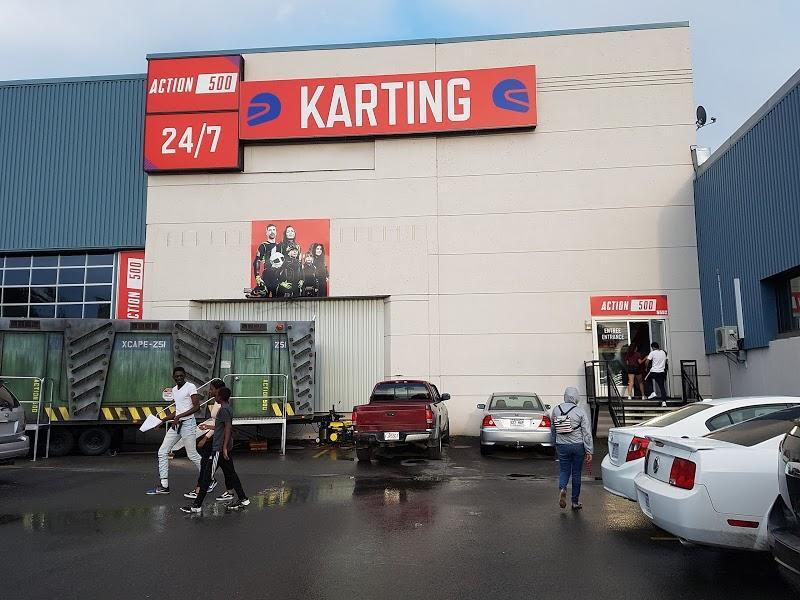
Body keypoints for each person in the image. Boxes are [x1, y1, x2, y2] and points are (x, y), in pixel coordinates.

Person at [181, 386, 249, 513]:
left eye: (216, 395)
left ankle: (196, 505)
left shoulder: (223, 410)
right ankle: (243, 499)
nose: (214, 397)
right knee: (232, 474)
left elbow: (228, 428)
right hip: (222, 448)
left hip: (219, 449)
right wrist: (209, 427)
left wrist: (224, 448)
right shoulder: (227, 408)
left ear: (220, 397)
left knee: (207, 477)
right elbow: (221, 427)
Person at [146, 366, 202, 495]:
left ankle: (208, 478)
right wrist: (162, 421)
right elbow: (177, 410)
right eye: (176, 376)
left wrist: (178, 417)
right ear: (173, 377)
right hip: (177, 425)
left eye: (181, 376)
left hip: (188, 424)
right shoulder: (175, 390)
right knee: (162, 452)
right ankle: (164, 485)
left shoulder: (190, 387)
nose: (179, 378)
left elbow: (197, 407)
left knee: (192, 455)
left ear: (185, 375)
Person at [183, 378, 228, 501]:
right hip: (216, 437)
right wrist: (206, 428)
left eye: (211, 389)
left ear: (218, 390)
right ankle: (234, 493)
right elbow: (216, 422)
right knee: (227, 469)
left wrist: (205, 437)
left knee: (206, 466)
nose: (209, 391)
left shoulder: (222, 406)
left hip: (218, 439)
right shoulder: (217, 403)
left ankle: (199, 492)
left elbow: (220, 425)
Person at [550, 387, 593, 510]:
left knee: (564, 470)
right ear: (576, 397)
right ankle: (575, 502)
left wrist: (554, 443)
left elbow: (553, 428)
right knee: (576, 473)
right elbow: (586, 433)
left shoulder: (556, 410)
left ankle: (562, 488)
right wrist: (589, 450)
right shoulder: (580, 411)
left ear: (565, 396)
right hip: (578, 446)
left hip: (562, 445)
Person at [251, 224, 279, 297]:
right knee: (264, 298)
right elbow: (257, 261)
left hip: (278, 276)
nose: (272, 232)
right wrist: (257, 276)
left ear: (276, 232)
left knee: (278, 299)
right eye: (270, 230)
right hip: (267, 276)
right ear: (266, 233)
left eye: (273, 230)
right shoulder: (263, 246)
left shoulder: (279, 246)